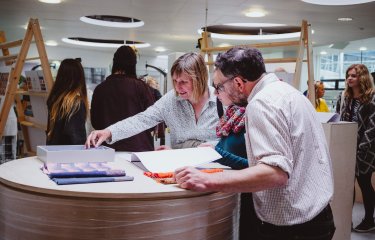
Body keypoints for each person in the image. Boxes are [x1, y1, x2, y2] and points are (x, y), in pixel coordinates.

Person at [175, 47, 335, 240]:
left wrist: (207, 180)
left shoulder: (261, 103)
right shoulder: (289, 93)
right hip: (317, 216)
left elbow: (275, 173)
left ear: (239, 83)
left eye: (219, 87)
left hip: (293, 228)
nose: (217, 93)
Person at [86, 52, 219, 150]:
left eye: (184, 82)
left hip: (218, 171)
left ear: (200, 79)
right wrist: (109, 132)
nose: (178, 87)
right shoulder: (171, 100)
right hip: (183, 171)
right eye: (175, 81)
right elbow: (142, 120)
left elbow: (233, 143)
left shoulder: (220, 100)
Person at [211, 82, 259, 240]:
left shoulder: (252, 118)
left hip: (252, 202)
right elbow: (222, 149)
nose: (215, 94)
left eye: (219, 89)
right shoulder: (231, 116)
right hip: (233, 195)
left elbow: (258, 168)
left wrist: (217, 153)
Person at [90, 45, 155, 152]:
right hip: (139, 149)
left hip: (108, 148)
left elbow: (95, 122)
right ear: (133, 64)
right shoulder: (142, 87)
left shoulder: (100, 89)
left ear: (114, 62)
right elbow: (152, 121)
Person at [336, 64, 375, 233]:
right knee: (346, 185)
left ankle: (369, 219)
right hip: (345, 148)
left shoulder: (371, 99)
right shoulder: (344, 96)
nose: (349, 78)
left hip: (366, 150)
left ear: (362, 78)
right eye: (348, 75)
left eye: (353, 75)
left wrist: (361, 150)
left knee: (365, 184)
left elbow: (372, 128)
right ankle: (346, 219)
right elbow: (337, 119)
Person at [46, 58, 89, 145]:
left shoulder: (55, 99)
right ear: (79, 77)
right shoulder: (76, 103)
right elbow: (76, 137)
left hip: (53, 151)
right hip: (70, 154)